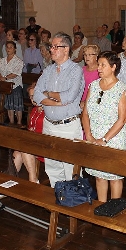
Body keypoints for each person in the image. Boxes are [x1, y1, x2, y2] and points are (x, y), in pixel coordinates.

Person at [33, 32, 84, 187]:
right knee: (52, 166)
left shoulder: (76, 70)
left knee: (70, 167)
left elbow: (69, 96)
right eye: (51, 46)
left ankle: (73, 201)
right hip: (49, 124)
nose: (52, 50)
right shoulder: (48, 70)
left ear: (66, 49)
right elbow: (36, 94)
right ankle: (58, 195)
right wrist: (55, 103)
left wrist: (47, 95)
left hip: (67, 125)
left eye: (55, 47)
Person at [82, 51, 126, 202]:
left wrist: (104, 139)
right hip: (94, 136)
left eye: (103, 65)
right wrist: (89, 135)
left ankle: (114, 210)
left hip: (113, 139)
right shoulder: (93, 85)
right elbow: (85, 113)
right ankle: (101, 207)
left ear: (113, 67)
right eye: (99, 65)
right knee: (99, 176)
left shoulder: (121, 88)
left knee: (114, 177)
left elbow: (122, 119)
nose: (99, 68)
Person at [12, 84, 42, 183]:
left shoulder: (49, 110)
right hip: (33, 142)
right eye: (30, 96)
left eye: (35, 95)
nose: (33, 99)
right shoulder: (34, 110)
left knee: (25, 149)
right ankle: (10, 181)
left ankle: (33, 180)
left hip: (45, 144)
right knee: (17, 153)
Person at [0, 40, 24, 126]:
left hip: (15, 86)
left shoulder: (19, 61)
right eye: (7, 47)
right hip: (6, 86)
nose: (8, 49)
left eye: (11, 47)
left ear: (15, 49)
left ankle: (19, 123)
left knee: (17, 105)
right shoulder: (2, 60)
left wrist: (5, 77)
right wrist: (0, 76)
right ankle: (11, 122)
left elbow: (15, 73)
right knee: (9, 105)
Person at [80, 45, 100, 110]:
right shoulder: (82, 69)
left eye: (89, 55)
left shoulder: (100, 70)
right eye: (85, 55)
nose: (87, 57)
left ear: (96, 56)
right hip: (79, 101)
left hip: (93, 104)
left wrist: (86, 102)